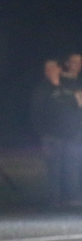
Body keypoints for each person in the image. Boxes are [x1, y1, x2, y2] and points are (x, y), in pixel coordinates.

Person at [30, 58, 82, 206]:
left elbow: (77, 105)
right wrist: (42, 133)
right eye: (48, 68)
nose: (51, 70)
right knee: (54, 168)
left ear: (59, 69)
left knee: (72, 167)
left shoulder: (67, 87)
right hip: (51, 136)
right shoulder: (42, 89)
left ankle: (72, 198)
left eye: (54, 67)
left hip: (71, 135)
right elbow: (36, 113)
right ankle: (54, 199)